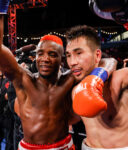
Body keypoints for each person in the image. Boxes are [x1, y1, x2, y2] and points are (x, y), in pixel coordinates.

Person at [0, 1, 80, 149]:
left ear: (62, 59)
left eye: (52, 54)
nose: (45, 59)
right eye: (40, 54)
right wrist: (1, 10)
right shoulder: (24, 79)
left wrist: (98, 77)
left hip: (64, 146)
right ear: (35, 56)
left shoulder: (70, 79)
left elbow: (108, 61)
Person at [65, 22, 128, 150]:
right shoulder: (76, 89)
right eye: (68, 55)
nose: (72, 62)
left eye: (79, 53)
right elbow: (72, 119)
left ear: (97, 55)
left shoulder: (120, 79)